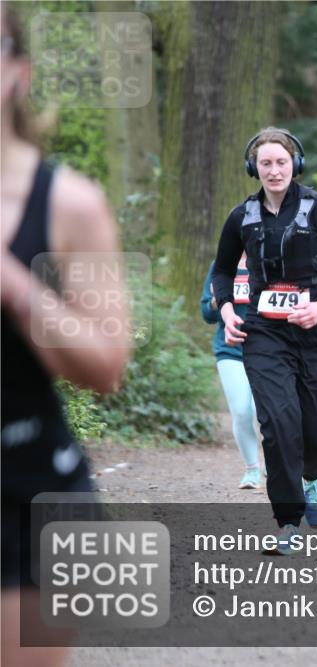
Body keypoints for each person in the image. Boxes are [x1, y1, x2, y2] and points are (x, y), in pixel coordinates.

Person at [1, 6, 131, 664]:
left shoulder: (69, 204)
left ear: (17, 72)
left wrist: (14, 285)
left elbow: (106, 366)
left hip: (23, 493)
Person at [212, 127, 317, 554]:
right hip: (265, 334)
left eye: (281, 162)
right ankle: (288, 523)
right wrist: (227, 311)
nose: (274, 170)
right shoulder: (242, 217)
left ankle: (314, 476)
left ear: (295, 164)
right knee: (278, 425)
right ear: (253, 168)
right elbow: (222, 271)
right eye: (265, 163)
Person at [201, 254, 263, 489]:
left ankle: (276, 462)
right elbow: (207, 314)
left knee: (264, 411)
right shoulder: (220, 265)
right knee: (241, 411)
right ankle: (252, 470)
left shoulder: (268, 259)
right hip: (230, 349)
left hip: (267, 349)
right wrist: (216, 301)